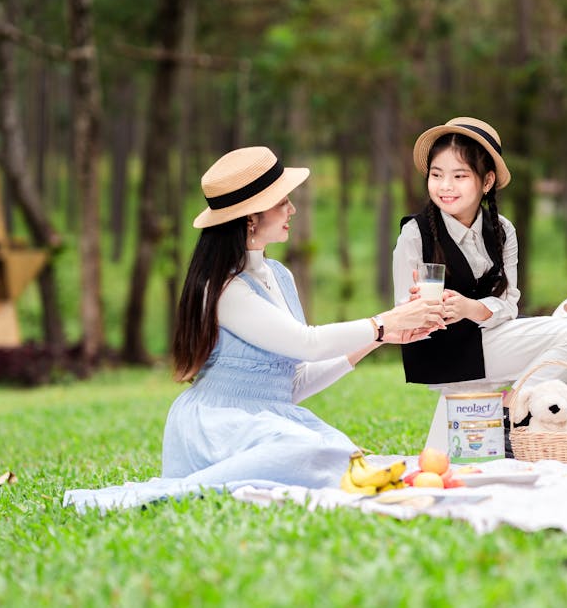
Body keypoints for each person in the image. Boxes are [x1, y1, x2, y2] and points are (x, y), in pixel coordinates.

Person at [64, 146, 444, 512]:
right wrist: (380, 325)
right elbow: (307, 343)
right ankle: (199, 483)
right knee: (311, 452)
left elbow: (291, 383)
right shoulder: (225, 289)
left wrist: (380, 339)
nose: (292, 209)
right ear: (251, 216)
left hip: (266, 420)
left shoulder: (278, 275)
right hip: (218, 428)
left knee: (335, 451)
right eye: (283, 202)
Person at [391, 117, 567, 456]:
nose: (445, 186)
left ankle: (525, 426)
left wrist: (470, 308)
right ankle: (516, 411)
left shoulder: (501, 230)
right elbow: (402, 312)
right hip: (443, 351)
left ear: (487, 181)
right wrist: (422, 312)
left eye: (459, 176)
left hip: (485, 339)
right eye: (437, 175)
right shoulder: (415, 234)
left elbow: (510, 303)